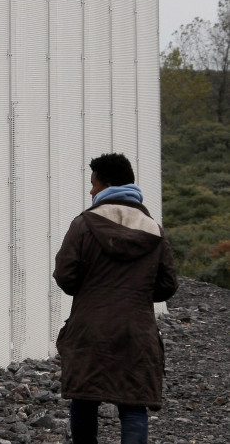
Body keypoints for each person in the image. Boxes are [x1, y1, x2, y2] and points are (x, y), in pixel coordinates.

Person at [53, 153, 178, 444]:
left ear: (107, 184)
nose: (90, 190)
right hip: (137, 329)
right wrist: (138, 294)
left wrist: (90, 291)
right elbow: (168, 284)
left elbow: (65, 275)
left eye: (93, 184)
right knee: (133, 405)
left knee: (85, 400)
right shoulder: (153, 230)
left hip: (89, 326)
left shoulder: (84, 224)